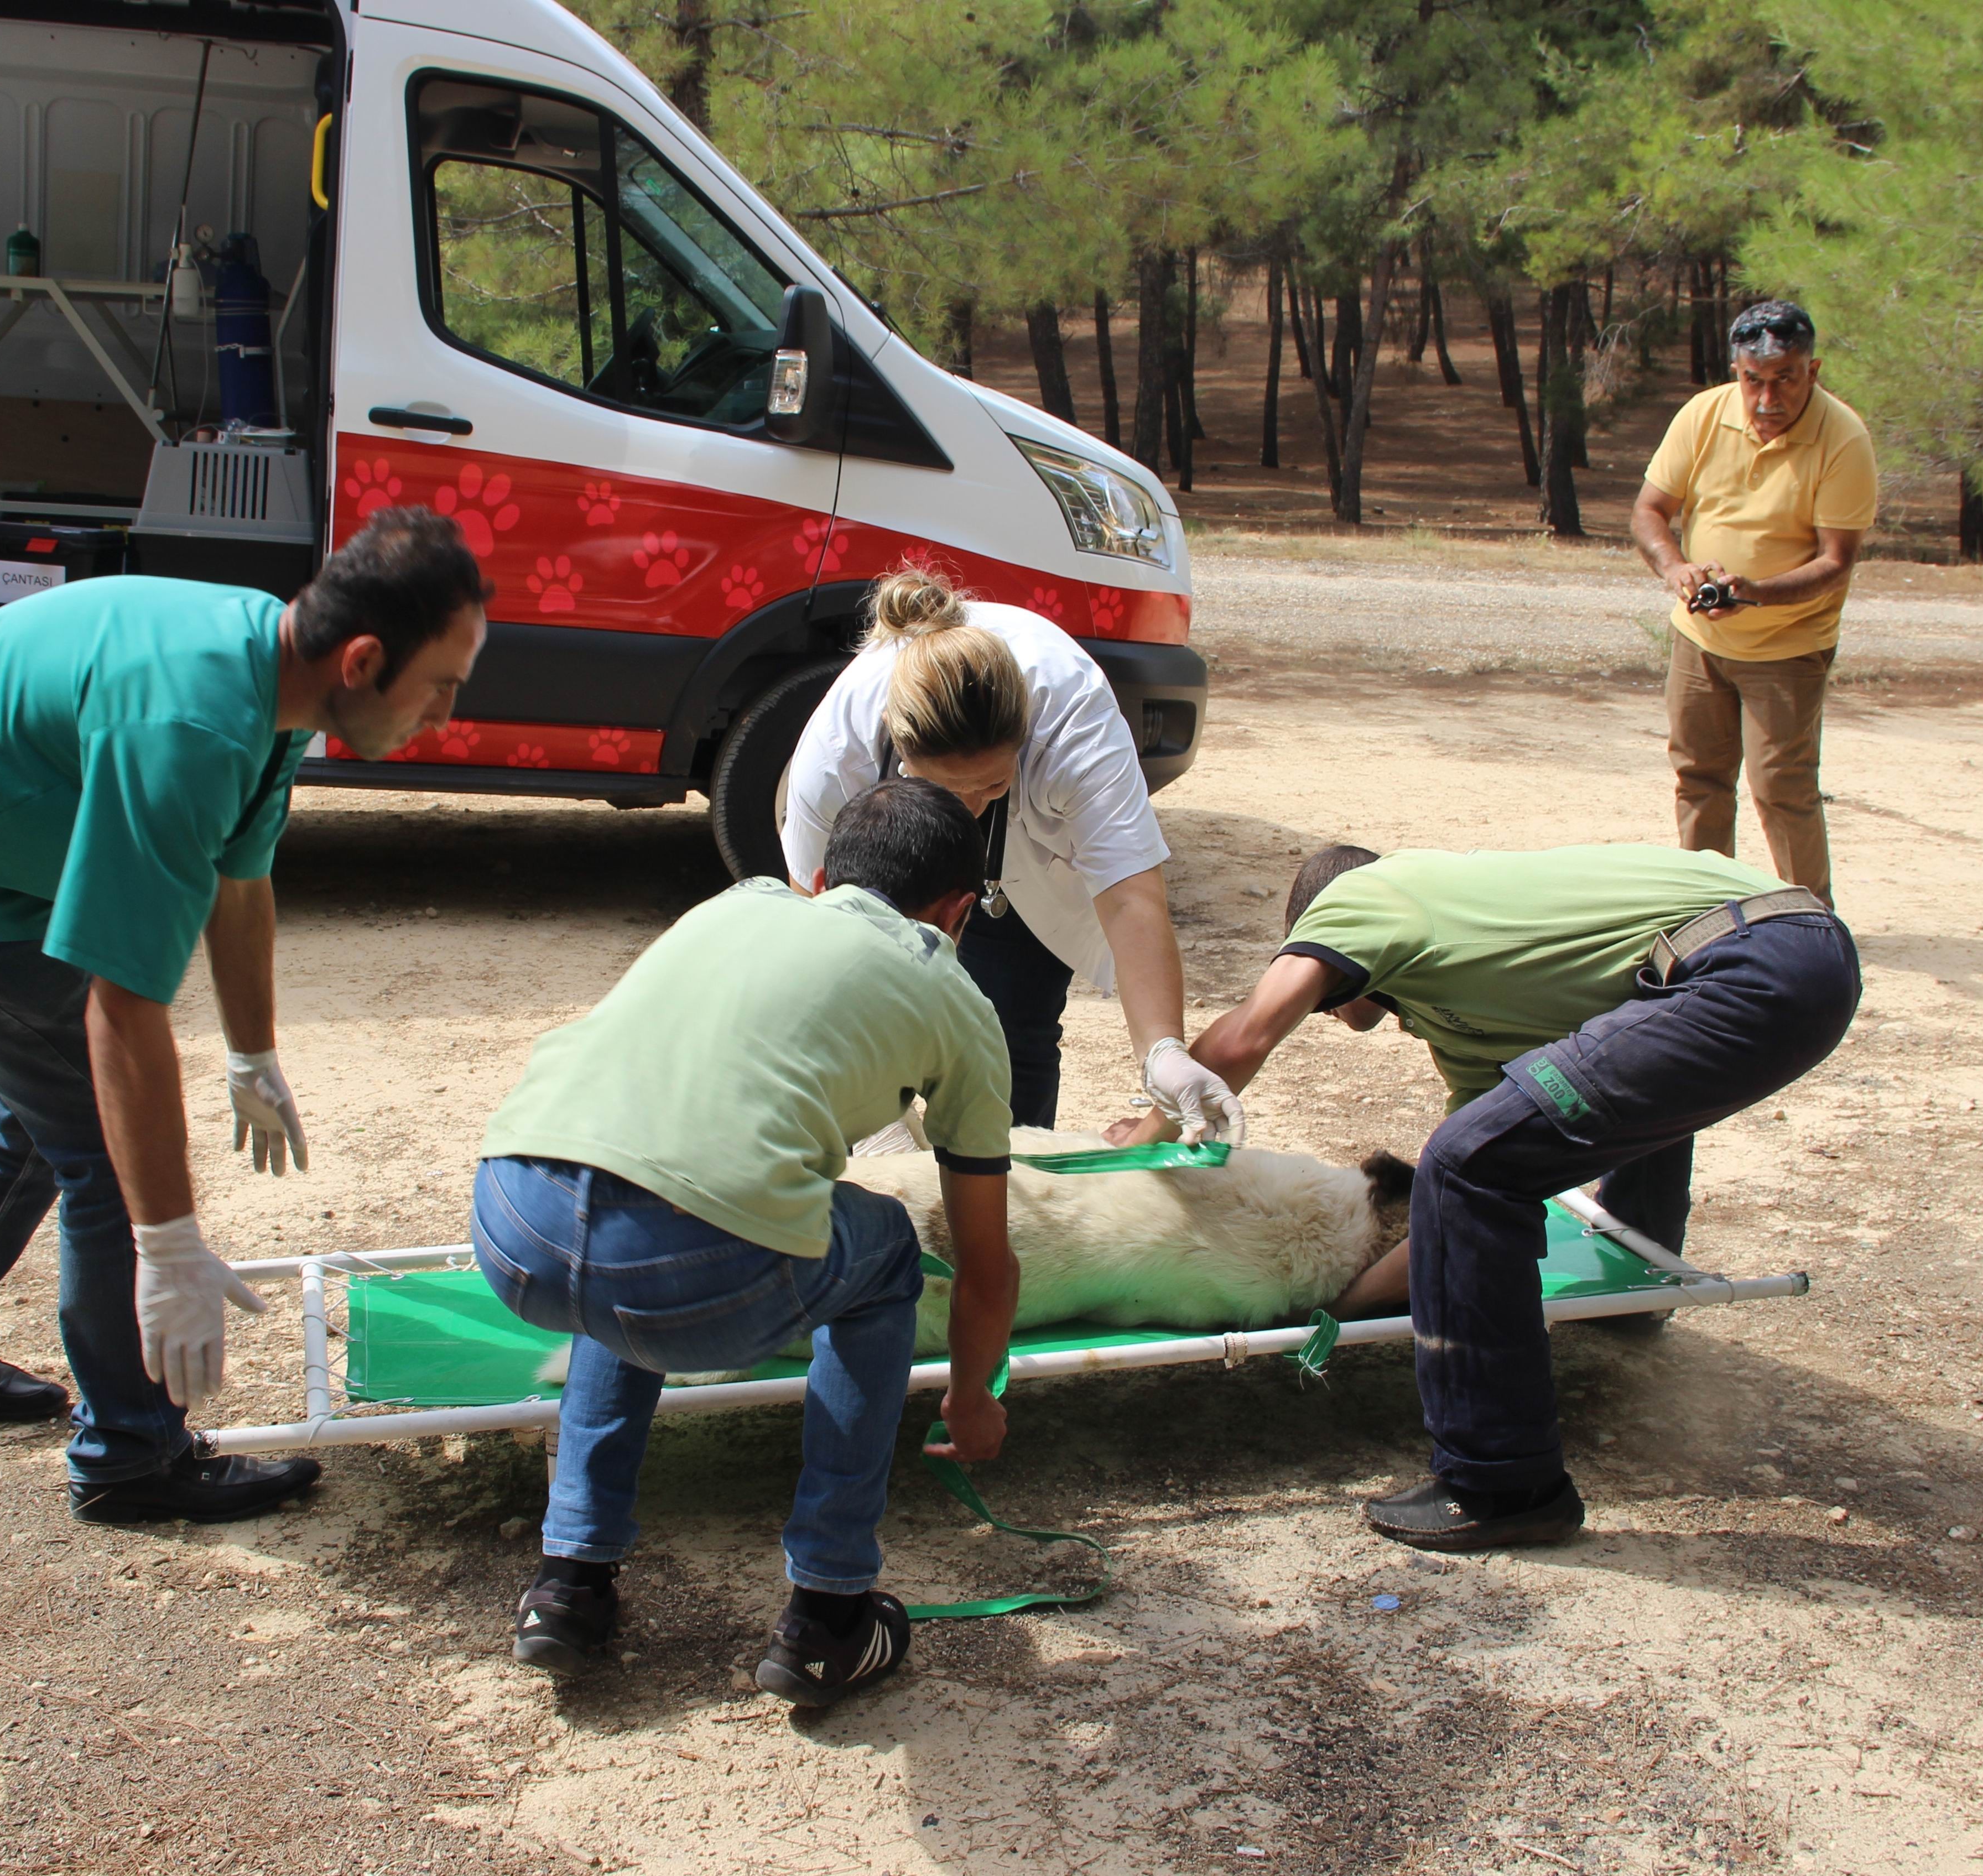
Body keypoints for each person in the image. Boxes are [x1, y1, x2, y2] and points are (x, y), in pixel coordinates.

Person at [0, 508, 492, 1524]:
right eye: (442, 684)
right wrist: (167, 1242)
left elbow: (241, 882)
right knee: (94, 1138)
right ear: (362, 660)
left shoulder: (272, 680)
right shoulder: (192, 728)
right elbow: (123, 1009)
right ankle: (130, 1454)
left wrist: (252, 1053)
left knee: (40, 1108)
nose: (444, 713)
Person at [1118, 842, 1860, 1551]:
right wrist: (1329, 1319)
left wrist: (1144, 1142)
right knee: (1487, 1157)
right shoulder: (1476, 1018)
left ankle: (1503, 1486)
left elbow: (1246, 1035)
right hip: (1785, 958)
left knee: (1466, 1160)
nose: (1329, 1013)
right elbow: (1450, 1223)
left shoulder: (1364, 899)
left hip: (1752, 957)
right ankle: (1633, 1311)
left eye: (1323, 999)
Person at [474, 778, 1020, 1704]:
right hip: (679, 1271)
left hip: (512, 1214)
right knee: (886, 1246)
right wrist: (973, 1400)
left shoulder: (738, 902)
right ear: (957, 912)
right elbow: (984, 1261)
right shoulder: (951, 995)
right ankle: (829, 1612)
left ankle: (568, 1584)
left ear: (817, 876)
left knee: (642, 1210)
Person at [780, 571, 1241, 1143]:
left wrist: (1164, 1050)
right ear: (900, 749)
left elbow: (1131, 899)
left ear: (1026, 740)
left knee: (1011, 1036)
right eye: (950, 791)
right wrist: (877, 1119)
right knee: (881, 1031)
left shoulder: (1074, 720)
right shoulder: (836, 750)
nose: (971, 810)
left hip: (1027, 872)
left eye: (993, 786)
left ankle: (1013, 1189)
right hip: (894, 853)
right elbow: (815, 931)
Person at [1631, 299, 1878, 906]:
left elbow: (1836, 560)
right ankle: (1707, 907)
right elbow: (1650, 511)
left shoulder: (1843, 437)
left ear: (1812, 372)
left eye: (1785, 381)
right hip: (1700, 639)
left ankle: (1809, 919)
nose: (1768, 400)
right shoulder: (1705, 414)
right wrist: (1678, 569)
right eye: (1754, 382)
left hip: (1789, 646)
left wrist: (1758, 595)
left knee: (1782, 787)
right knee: (1699, 777)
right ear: (1737, 372)